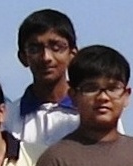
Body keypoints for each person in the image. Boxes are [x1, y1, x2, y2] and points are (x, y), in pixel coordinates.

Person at [9, 9, 80, 147]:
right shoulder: (9, 118)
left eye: (56, 47)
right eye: (35, 49)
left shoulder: (90, 112)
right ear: (23, 57)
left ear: (72, 54)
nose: (46, 57)